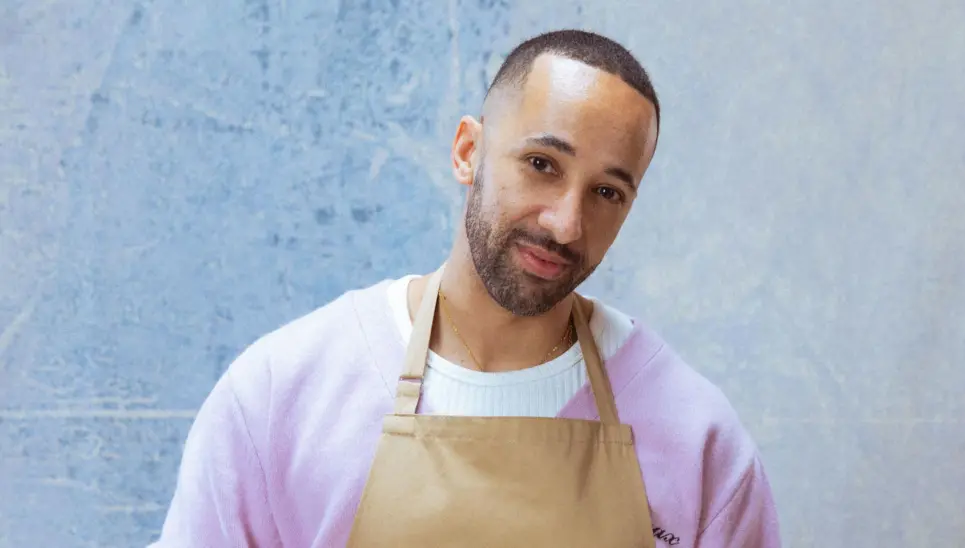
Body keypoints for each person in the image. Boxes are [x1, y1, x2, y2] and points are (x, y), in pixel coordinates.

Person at [151, 29, 780, 547]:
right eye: (541, 165)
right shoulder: (280, 398)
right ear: (467, 151)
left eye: (607, 192)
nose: (565, 222)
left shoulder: (700, 443)